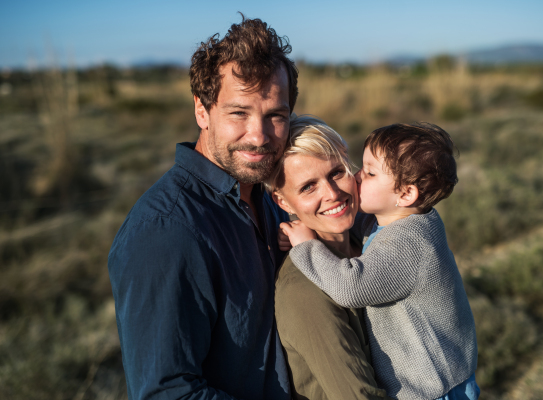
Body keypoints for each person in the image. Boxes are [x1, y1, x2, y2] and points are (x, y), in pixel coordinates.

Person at [108, 16, 298, 399]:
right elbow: (168, 393)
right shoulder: (165, 231)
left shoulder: (273, 198)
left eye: (275, 115)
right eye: (239, 113)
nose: (259, 135)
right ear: (202, 110)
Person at [280, 123, 479, 400]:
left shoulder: (408, 244)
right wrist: (306, 225)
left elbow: (350, 288)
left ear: (406, 194)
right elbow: (355, 220)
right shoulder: (403, 219)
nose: (358, 177)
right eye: (360, 168)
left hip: (433, 390)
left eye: (370, 173)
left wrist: (307, 247)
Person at [265, 116, 389, 400]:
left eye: (336, 173)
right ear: (282, 201)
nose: (332, 194)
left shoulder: (371, 242)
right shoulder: (304, 291)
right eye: (308, 187)